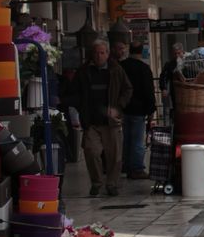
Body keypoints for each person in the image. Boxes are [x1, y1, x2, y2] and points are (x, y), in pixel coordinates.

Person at [69, 37, 132, 197]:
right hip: (91, 121)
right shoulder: (83, 71)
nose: (99, 56)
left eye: (102, 53)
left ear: (107, 54)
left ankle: (112, 184)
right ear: (92, 54)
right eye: (96, 53)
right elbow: (74, 92)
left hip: (111, 121)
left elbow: (127, 89)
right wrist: (79, 107)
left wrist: (118, 106)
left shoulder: (116, 70)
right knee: (91, 151)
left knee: (114, 155)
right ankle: (97, 182)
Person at [119, 42, 156, 178]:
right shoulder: (144, 69)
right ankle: (136, 169)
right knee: (138, 141)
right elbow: (148, 91)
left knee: (126, 139)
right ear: (141, 51)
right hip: (139, 109)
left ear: (129, 50)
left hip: (123, 108)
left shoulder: (121, 66)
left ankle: (126, 165)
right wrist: (151, 110)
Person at [159, 42, 185, 119]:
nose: (177, 55)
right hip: (175, 91)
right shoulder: (170, 64)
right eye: (175, 54)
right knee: (176, 109)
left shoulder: (188, 61)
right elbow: (164, 76)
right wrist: (164, 88)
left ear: (182, 52)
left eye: (178, 53)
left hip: (187, 90)